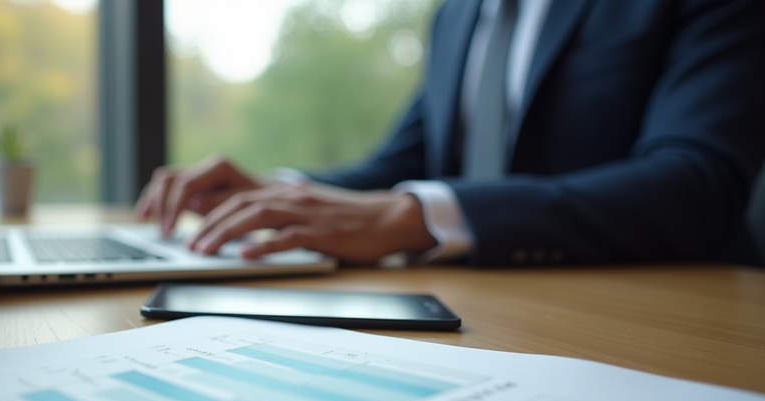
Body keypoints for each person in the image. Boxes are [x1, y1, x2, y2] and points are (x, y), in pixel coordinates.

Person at [137, 0, 765, 267]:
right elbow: (399, 164)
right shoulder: (458, 14)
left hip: (675, 321)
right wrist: (276, 192)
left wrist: (417, 217)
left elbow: (698, 181)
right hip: (489, 311)